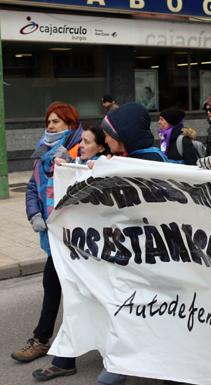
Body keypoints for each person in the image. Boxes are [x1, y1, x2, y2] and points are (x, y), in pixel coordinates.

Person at [97, 102, 166, 385]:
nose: (105, 141)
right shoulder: (124, 161)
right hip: (137, 260)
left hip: (154, 262)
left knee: (137, 317)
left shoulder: (148, 164)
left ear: (124, 135)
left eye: (109, 135)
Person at [13, 102, 83, 381]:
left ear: (70, 124)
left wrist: (74, 164)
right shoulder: (42, 151)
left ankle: (64, 349)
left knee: (79, 293)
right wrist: (34, 214)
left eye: (56, 122)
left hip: (77, 239)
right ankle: (43, 341)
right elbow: (33, 187)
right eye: (49, 121)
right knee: (51, 285)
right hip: (53, 236)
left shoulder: (79, 149)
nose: (50, 126)